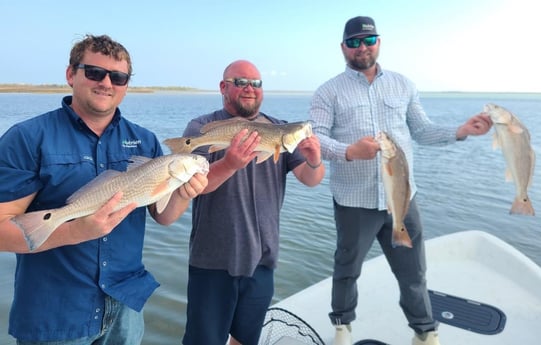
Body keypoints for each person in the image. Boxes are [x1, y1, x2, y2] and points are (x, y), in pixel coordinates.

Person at [0, 34, 208, 344]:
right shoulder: (27, 138)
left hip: (125, 305)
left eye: (119, 76)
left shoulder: (145, 140)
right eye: (95, 72)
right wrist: (74, 231)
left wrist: (182, 192)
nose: (107, 83)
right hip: (56, 313)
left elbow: (162, 216)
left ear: (127, 84)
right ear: (71, 74)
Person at [309, 16, 492, 345]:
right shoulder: (328, 92)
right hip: (354, 201)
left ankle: (424, 331)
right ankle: (342, 327)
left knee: (414, 271)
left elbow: (421, 130)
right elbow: (315, 139)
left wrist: (461, 131)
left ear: (379, 42)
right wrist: (349, 151)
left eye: (368, 40)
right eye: (354, 42)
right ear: (343, 48)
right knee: (346, 268)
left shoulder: (404, 84)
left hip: (404, 198)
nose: (362, 47)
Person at [180, 59, 325, 345]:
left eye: (256, 83)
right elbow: (193, 188)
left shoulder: (279, 129)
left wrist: (315, 159)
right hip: (213, 259)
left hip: (262, 259)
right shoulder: (201, 128)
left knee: (246, 339)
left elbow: (311, 179)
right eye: (241, 82)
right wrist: (230, 164)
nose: (250, 89)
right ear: (223, 87)